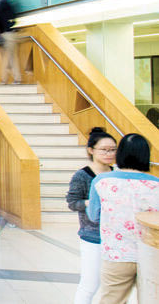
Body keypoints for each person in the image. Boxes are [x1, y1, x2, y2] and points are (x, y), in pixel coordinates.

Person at [87, 133, 159, 304]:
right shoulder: (156, 184)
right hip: (152, 254)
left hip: (116, 253)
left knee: (111, 300)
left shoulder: (101, 181)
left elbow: (93, 216)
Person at [66, 128, 116, 304]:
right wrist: (92, 202)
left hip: (117, 237)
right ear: (91, 150)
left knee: (113, 286)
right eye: (104, 150)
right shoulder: (82, 175)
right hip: (92, 236)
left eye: (113, 150)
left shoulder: (116, 173)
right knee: (89, 284)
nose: (109, 154)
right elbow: (73, 203)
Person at [0, 0, 20, 84]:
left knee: (5, 58)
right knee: (13, 57)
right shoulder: (11, 4)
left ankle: (4, 79)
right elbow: (14, 17)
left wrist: (0, 31)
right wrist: (11, 25)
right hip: (12, 34)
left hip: (5, 34)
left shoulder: (0, 4)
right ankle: (17, 78)